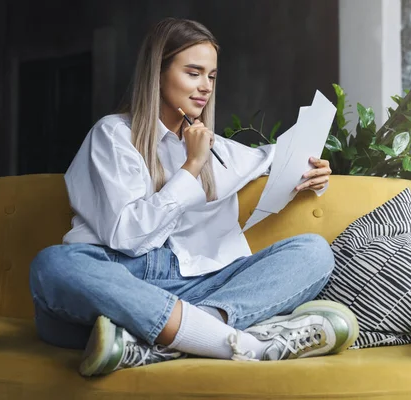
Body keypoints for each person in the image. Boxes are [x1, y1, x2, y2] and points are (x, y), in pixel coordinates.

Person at [29, 17, 359, 377]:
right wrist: (192, 166)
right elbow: (127, 238)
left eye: (212, 76)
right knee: (54, 265)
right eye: (193, 73)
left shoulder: (220, 151)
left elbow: (278, 158)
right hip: (120, 279)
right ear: (158, 73)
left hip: (202, 286)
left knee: (313, 252)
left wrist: (315, 174)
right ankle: (232, 342)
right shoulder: (112, 136)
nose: (205, 87)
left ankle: (175, 337)